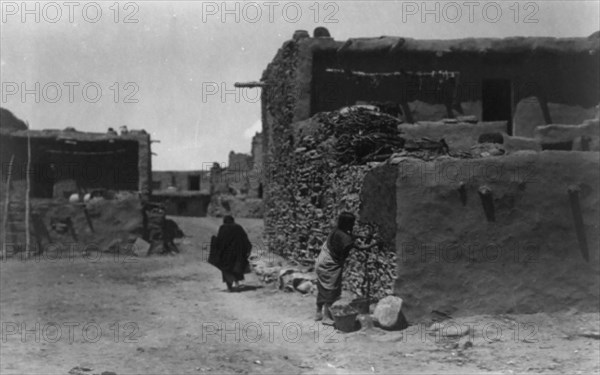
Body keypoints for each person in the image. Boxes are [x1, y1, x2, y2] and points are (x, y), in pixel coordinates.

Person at [314, 212, 379, 323]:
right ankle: (326, 317)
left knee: (323, 287)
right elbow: (361, 248)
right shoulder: (345, 238)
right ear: (347, 224)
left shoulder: (337, 231)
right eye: (352, 223)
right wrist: (376, 243)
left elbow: (351, 236)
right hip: (330, 264)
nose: (353, 225)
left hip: (322, 261)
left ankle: (318, 312)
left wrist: (363, 236)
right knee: (331, 289)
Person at [210, 216, 252, 292]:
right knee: (236, 267)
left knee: (227, 269)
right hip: (238, 253)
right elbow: (245, 239)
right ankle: (237, 282)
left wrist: (214, 240)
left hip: (226, 254)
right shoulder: (238, 227)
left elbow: (220, 241)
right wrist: (247, 250)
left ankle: (229, 287)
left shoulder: (223, 228)